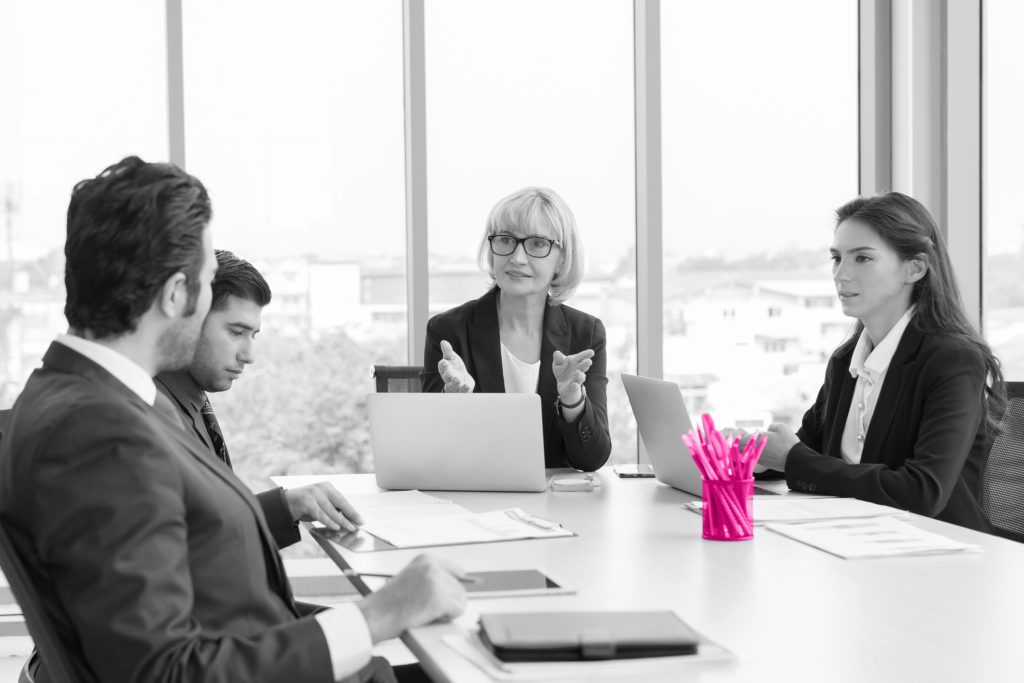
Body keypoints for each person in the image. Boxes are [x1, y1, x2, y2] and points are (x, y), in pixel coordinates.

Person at [0, 157, 467, 683]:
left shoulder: (76, 397)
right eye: (204, 285)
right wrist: (378, 615)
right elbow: (164, 673)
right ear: (177, 294)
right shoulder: (100, 435)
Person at [754, 192, 1004, 531]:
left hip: (937, 552)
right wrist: (749, 456)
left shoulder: (954, 361)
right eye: (837, 258)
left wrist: (793, 458)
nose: (841, 275)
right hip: (852, 539)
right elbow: (806, 454)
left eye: (862, 259)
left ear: (914, 268)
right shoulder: (846, 362)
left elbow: (923, 492)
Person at [156, 249, 361, 551]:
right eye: (236, 332)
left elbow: (215, 522)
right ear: (189, 320)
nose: (248, 356)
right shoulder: (156, 416)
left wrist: (290, 504)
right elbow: (193, 546)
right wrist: (284, 506)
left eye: (253, 335)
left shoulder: (193, 399)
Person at [421, 187, 611, 471]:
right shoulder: (449, 331)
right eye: (506, 240)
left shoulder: (586, 333)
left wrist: (573, 399)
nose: (517, 258)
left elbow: (592, 459)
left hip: (557, 509)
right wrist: (456, 402)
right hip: (475, 501)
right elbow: (431, 452)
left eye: (536, 244)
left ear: (561, 258)